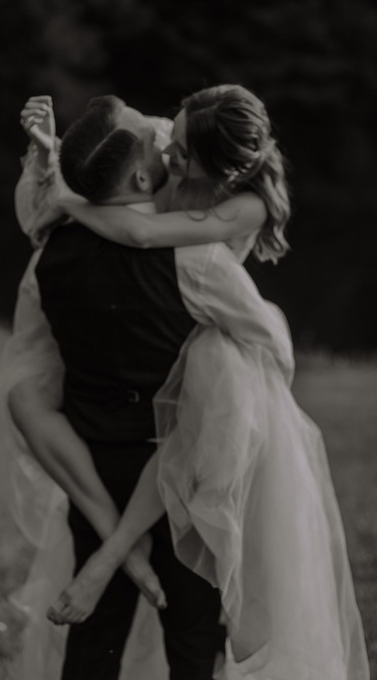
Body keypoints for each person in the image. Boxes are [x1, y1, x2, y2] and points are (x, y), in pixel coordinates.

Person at [37, 86, 369, 679]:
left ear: (219, 168)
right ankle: (119, 561)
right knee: (182, 632)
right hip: (163, 443)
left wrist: (238, 389)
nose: (167, 145)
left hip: (152, 440)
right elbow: (124, 196)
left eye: (182, 148)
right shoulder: (190, 235)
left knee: (144, 633)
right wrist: (53, 164)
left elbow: (141, 234)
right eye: (170, 133)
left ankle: (114, 561)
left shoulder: (229, 216)